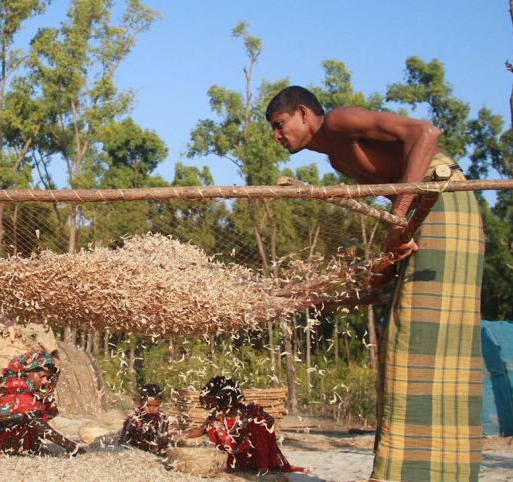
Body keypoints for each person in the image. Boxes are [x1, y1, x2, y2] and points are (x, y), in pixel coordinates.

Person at [266, 86, 484, 482]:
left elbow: (427, 134)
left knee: (418, 332)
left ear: (302, 112)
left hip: (444, 198)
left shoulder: (340, 120)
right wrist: (392, 247)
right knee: (410, 340)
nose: (278, 137)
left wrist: (400, 218)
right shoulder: (337, 161)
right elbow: (397, 195)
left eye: (280, 126)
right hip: (422, 211)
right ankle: (420, 469)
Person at [183, 377, 305, 475]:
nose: (210, 409)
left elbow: (263, 441)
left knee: (257, 426)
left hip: (262, 463)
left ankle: (262, 469)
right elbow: (201, 430)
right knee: (212, 425)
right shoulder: (217, 417)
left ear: (226, 402)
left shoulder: (253, 416)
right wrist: (180, 436)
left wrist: (262, 473)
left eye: (212, 404)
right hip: (237, 464)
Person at [0, 351, 84, 456]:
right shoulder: (16, 385)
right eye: (42, 376)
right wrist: (69, 445)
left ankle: (31, 447)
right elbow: (33, 420)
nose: (45, 381)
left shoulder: (28, 386)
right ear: (29, 372)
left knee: (32, 422)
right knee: (31, 418)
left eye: (47, 377)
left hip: (0, 428)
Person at [119, 383, 170, 456]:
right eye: (148, 405)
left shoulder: (162, 418)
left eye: (155, 406)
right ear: (141, 403)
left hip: (152, 445)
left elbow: (161, 440)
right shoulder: (134, 418)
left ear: (160, 404)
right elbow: (123, 441)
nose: (152, 409)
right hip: (135, 448)